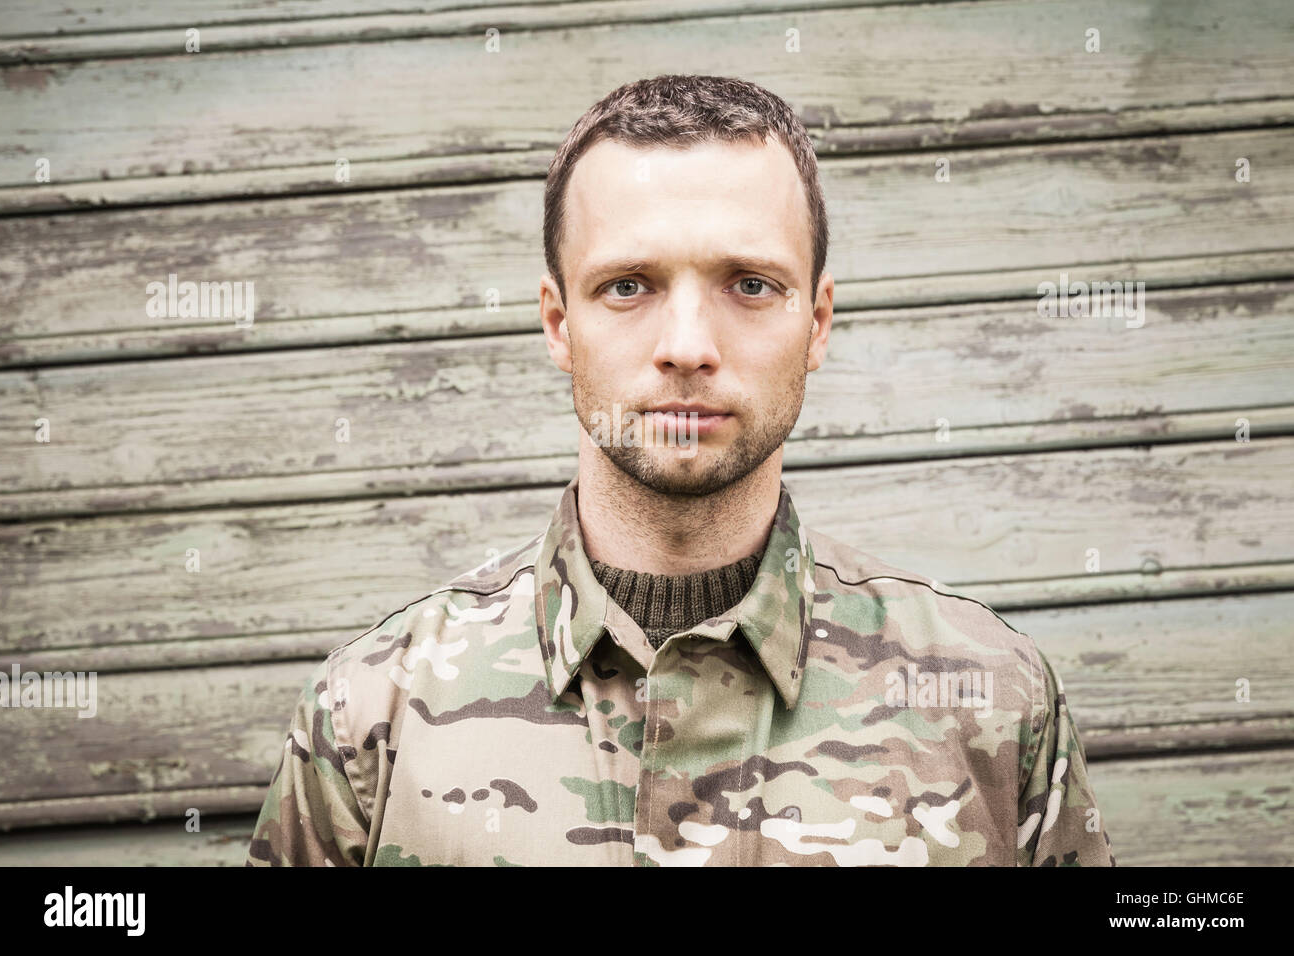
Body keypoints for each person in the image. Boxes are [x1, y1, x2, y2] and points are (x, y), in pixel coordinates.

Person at [247, 73, 1114, 866]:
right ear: (558, 324)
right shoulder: (370, 722)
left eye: (749, 285)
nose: (689, 347)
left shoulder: (993, 704)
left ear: (817, 322)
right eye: (629, 286)